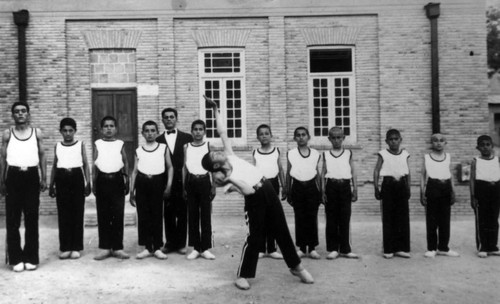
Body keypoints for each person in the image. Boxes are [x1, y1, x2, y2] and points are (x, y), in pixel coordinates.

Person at [200, 96, 314, 290]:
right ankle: (243, 275)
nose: (217, 151)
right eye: (214, 155)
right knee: (255, 238)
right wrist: (229, 180)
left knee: (282, 230)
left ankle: (296, 266)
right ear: (215, 164)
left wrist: (215, 110)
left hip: (268, 189)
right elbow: (248, 190)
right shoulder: (226, 177)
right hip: (255, 199)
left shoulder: (230, 155)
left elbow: (222, 132)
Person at [0, 102, 47, 272]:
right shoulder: (7, 134)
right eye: (17, 112)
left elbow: (42, 155)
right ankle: (15, 258)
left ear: (28, 114)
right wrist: (2, 181)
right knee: (13, 219)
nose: (20, 114)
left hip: (31, 177)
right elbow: (3, 159)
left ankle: (31, 257)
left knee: (31, 218)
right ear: (13, 115)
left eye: (23, 111)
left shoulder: (37, 133)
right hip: (13, 177)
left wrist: (44, 177)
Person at [48, 118, 91, 260]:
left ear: (75, 131)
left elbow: (85, 164)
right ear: (60, 131)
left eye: (70, 130)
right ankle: (65, 247)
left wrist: (88, 182)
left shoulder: (80, 144)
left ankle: (76, 247)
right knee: (64, 213)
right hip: (62, 178)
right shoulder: (58, 146)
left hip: (76, 177)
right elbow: (55, 165)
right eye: (64, 131)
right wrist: (51, 184)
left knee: (77, 212)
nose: (67, 133)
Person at [129, 121, 172, 260]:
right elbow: (134, 171)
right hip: (142, 183)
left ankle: (158, 247)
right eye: (146, 131)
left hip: (157, 183)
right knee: (144, 216)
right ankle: (147, 247)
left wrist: (169, 185)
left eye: (153, 130)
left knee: (157, 215)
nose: (150, 133)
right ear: (142, 133)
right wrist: (131, 191)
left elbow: (170, 167)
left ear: (157, 132)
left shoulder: (163, 148)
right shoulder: (138, 150)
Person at [92, 116, 130, 260]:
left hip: (117, 180)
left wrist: (127, 180)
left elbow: (126, 162)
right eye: (106, 126)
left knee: (118, 214)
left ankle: (118, 247)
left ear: (116, 129)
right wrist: (94, 183)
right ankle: (105, 247)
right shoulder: (98, 143)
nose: (109, 129)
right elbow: (95, 164)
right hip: (102, 180)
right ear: (101, 129)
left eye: (111, 126)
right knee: (103, 214)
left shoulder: (120, 143)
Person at [156, 108, 193, 254]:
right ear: (162, 120)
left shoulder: (187, 137)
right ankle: (170, 243)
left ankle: (181, 244)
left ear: (176, 119)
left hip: (183, 179)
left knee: (183, 211)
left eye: (172, 117)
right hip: (166, 181)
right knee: (168, 212)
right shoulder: (158, 140)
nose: (169, 119)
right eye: (166, 117)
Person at [321, 127, 358, 260]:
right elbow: (323, 173)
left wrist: (355, 189)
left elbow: (353, 171)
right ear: (329, 139)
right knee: (331, 218)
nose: (336, 140)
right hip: (331, 186)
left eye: (339, 137)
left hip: (345, 186)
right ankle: (333, 248)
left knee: (345, 217)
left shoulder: (348, 153)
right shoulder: (326, 154)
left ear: (343, 138)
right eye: (334, 138)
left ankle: (345, 249)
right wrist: (323, 190)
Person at [420, 133, 459, 258]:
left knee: (445, 220)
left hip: (445, 188)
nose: (438, 143)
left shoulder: (447, 157)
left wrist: (453, 191)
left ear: (445, 143)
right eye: (435, 140)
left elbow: (450, 174)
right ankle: (431, 248)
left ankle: (443, 248)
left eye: (441, 140)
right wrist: (422, 192)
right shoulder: (427, 157)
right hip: (433, 187)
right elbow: (422, 176)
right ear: (431, 143)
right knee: (432, 219)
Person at [373, 129, 411, 259]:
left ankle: (401, 248)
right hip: (388, 185)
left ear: (400, 140)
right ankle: (388, 249)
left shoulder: (405, 154)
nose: (394, 141)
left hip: (401, 185)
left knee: (402, 217)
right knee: (388, 217)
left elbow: (408, 172)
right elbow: (377, 170)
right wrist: (376, 187)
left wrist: (408, 187)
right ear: (386, 141)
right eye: (391, 139)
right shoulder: (383, 154)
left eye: (396, 139)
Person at [286, 126, 322, 259]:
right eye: (298, 135)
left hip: (312, 187)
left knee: (312, 217)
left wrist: (321, 190)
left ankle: (312, 248)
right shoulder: (291, 153)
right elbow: (289, 173)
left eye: (303, 135)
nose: (301, 137)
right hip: (297, 187)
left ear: (308, 137)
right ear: (295, 138)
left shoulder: (315, 153)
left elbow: (317, 173)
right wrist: (287, 190)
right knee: (299, 217)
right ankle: (301, 247)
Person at [183, 119, 216, 260]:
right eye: (195, 129)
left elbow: (214, 168)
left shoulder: (208, 146)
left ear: (204, 132)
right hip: (191, 182)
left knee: (206, 215)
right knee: (193, 215)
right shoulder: (186, 147)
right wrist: (183, 186)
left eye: (200, 129)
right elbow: (184, 168)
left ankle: (206, 248)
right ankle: (196, 248)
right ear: (191, 132)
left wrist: (213, 185)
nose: (197, 132)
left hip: (204, 182)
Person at [252, 124, 286, 260]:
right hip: (260, 184)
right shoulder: (255, 152)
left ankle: (272, 248)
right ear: (257, 137)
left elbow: (281, 170)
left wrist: (284, 187)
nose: (264, 136)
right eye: (261, 134)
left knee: (273, 216)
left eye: (267, 133)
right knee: (260, 217)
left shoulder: (276, 151)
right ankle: (261, 248)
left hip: (273, 184)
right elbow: (253, 171)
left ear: (271, 135)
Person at [470, 135, 500, 258]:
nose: (485, 147)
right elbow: (472, 180)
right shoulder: (475, 161)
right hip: (481, 190)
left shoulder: (497, 160)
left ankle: (493, 246)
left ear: (492, 146)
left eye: (488, 144)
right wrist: (473, 196)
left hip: (496, 190)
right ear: (478, 147)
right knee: (482, 219)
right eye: (482, 145)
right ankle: (483, 246)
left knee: (494, 219)